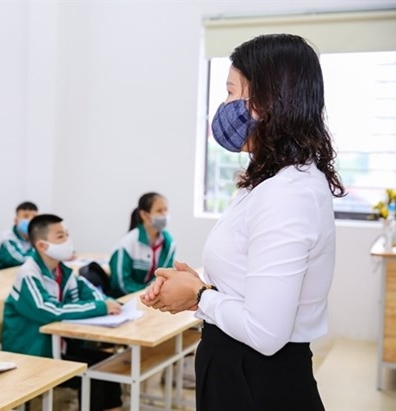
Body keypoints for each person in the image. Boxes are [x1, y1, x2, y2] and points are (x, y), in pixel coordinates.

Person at [141, 34, 345, 410]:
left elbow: (266, 333)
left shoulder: (287, 193)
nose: (225, 106)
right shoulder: (273, 178)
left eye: (233, 93)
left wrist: (199, 295)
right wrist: (199, 289)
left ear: (268, 101)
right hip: (240, 369)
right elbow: (253, 287)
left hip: (255, 379)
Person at [1, 214, 122, 411]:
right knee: (95, 375)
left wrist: (107, 302)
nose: (67, 241)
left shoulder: (62, 271)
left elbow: (90, 292)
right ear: (42, 245)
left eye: (67, 235)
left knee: (106, 365)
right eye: (60, 236)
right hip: (33, 353)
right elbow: (49, 311)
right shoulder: (28, 274)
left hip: (57, 347)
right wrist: (100, 307)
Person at [109, 192, 176, 298]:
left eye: (166, 210)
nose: (164, 215)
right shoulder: (125, 245)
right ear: (144, 215)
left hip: (154, 299)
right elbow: (121, 284)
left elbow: (166, 275)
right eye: (159, 210)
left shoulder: (169, 243)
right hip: (125, 302)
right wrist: (147, 293)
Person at [0, 201, 38, 270]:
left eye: (34, 217)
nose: (30, 220)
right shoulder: (8, 239)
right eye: (26, 216)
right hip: (4, 277)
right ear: (16, 221)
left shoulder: (37, 237)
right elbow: (19, 260)